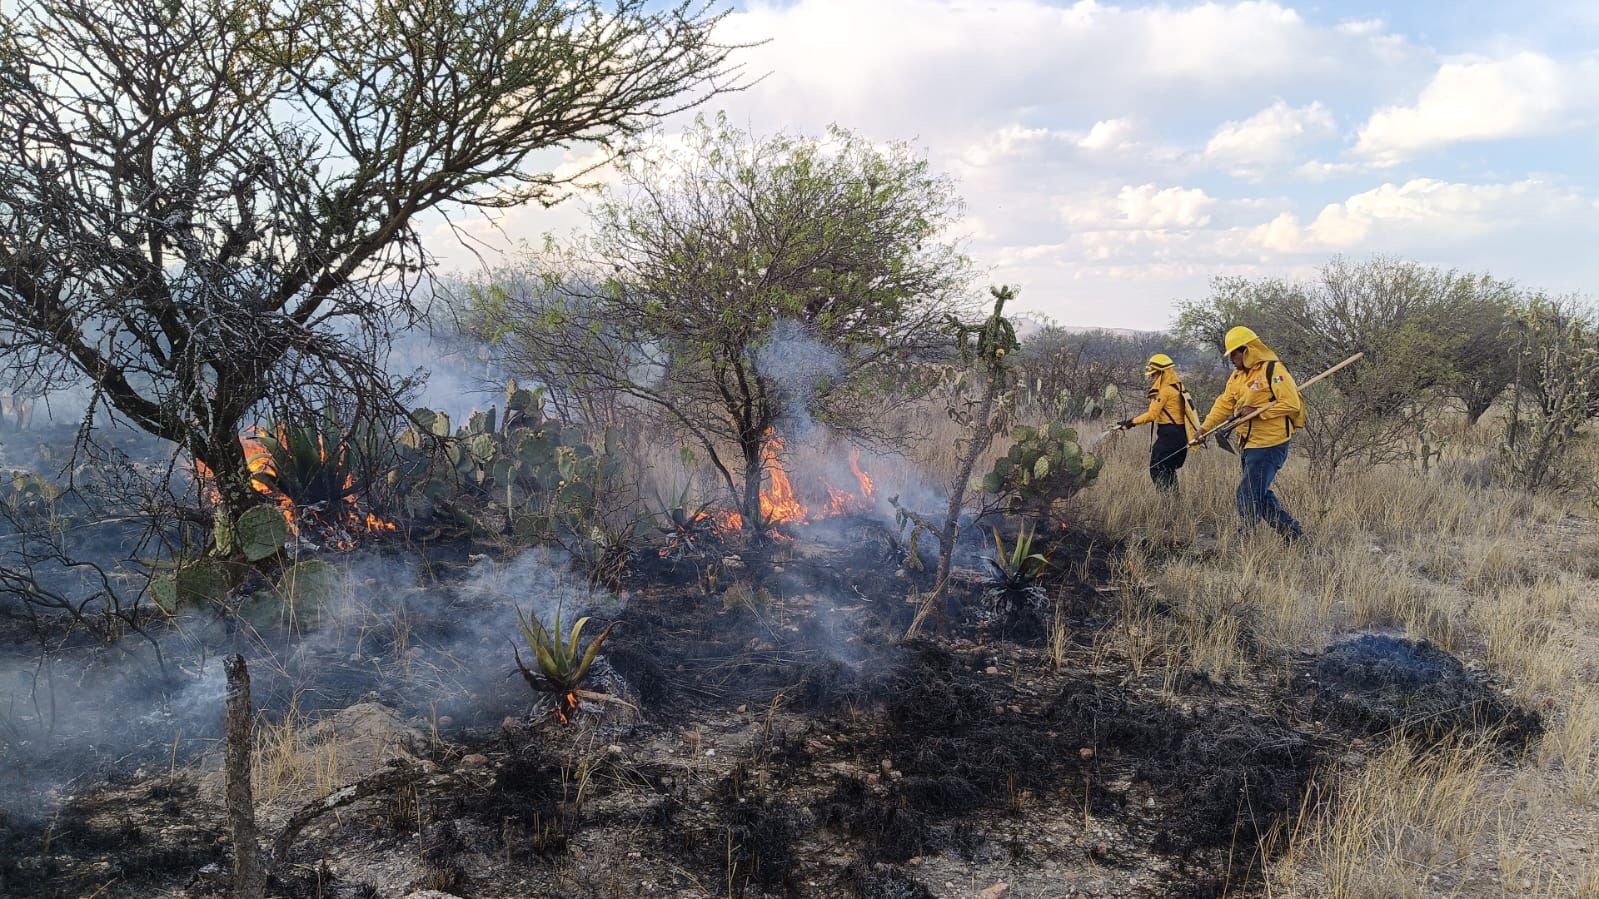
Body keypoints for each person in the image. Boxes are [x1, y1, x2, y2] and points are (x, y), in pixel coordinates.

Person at [1199, 326, 1305, 540]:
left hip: (1270, 445)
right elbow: (1224, 404)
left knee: (1247, 492)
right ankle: (1293, 534)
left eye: (1234, 354)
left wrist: (1257, 413)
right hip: (1248, 444)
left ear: (1247, 350)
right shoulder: (1237, 377)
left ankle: (1245, 537)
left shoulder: (1274, 371)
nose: (1232, 360)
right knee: (1259, 493)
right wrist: (1204, 428)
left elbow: (1291, 404)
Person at [1116, 353, 1198, 491]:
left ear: (1162, 373)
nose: (1152, 378)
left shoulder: (1164, 391)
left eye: (1154, 375)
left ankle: (1166, 502)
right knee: (1168, 470)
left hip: (1170, 436)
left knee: (1157, 469)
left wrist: (1130, 423)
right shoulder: (1178, 387)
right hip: (1181, 435)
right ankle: (1174, 501)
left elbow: (1151, 415)